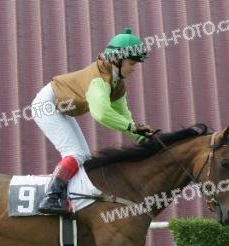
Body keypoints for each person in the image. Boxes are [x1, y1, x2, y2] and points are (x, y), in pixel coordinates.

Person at [33, 28, 156, 215]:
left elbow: (124, 115)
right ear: (117, 59)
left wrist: (141, 138)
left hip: (59, 107)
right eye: (132, 63)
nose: (134, 68)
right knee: (75, 153)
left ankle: (67, 195)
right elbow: (102, 113)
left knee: (84, 156)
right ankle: (50, 198)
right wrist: (132, 127)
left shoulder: (117, 84)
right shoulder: (99, 80)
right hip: (47, 105)